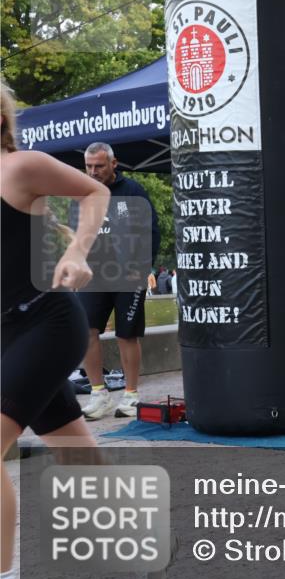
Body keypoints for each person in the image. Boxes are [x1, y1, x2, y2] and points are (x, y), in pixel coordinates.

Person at [2, 81, 111, 579]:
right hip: (6, 337)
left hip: (46, 321)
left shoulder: (20, 167)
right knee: (76, 457)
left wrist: (77, 251)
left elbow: (95, 193)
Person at [75, 142, 160, 421]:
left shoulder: (133, 191)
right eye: (88, 166)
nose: (93, 171)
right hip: (94, 275)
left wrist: (143, 266)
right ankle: (99, 394)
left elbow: (151, 231)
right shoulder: (83, 193)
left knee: (126, 334)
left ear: (114, 163)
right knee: (86, 330)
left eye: (99, 166)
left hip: (128, 275)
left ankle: (131, 395)